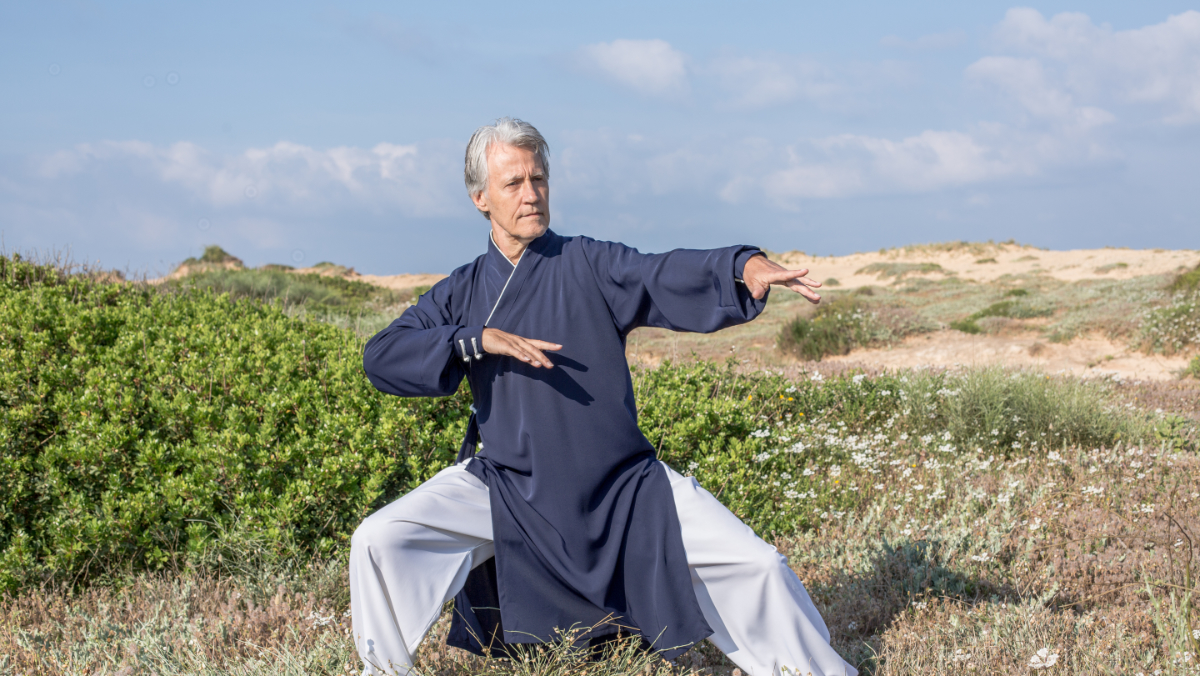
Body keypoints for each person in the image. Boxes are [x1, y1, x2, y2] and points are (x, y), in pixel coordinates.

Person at [351, 117, 857, 676]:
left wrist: (742, 266)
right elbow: (383, 356)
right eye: (513, 183)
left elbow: (660, 273)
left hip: (623, 489)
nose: (531, 194)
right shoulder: (463, 292)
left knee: (759, 564)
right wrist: (474, 340)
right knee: (379, 539)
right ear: (480, 199)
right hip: (509, 488)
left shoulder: (589, 263)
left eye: (538, 179)